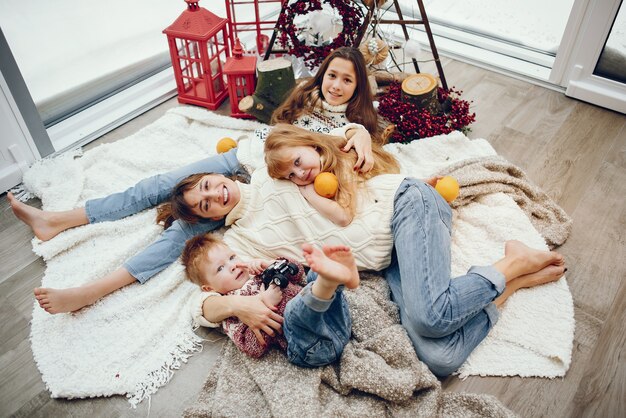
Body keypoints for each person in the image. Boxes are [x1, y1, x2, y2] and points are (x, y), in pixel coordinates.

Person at [9, 46, 379, 321]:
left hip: (265, 188)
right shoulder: (304, 95)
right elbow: (276, 126)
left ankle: (91, 291)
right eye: (332, 75)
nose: (337, 85)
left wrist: (357, 129)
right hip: (246, 158)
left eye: (348, 79)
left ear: (358, 86)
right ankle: (62, 219)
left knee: (181, 234)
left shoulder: (354, 123)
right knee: (165, 183)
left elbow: (346, 154)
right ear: (322, 74)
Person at [181, 233, 358, 366]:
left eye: (232, 257)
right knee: (293, 311)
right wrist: (266, 302)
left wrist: (272, 264)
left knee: (312, 275)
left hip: (337, 320)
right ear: (209, 288)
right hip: (313, 346)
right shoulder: (230, 314)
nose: (233, 266)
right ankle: (330, 281)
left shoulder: (256, 272)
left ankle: (335, 277)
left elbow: (298, 275)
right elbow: (253, 348)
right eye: (220, 268)